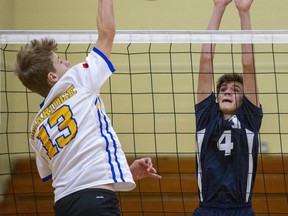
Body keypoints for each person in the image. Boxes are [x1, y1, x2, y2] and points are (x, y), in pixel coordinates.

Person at [15, 0, 161, 215]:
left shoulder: (36, 127)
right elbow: (107, 32)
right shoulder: (77, 80)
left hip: (64, 204)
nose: (67, 62)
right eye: (60, 61)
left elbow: (59, 172)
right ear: (52, 77)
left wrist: (122, 172)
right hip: (95, 201)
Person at [192, 0, 262, 215]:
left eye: (235, 90)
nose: (227, 92)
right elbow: (205, 60)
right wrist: (218, 7)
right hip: (207, 209)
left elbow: (248, 64)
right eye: (223, 89)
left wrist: (244, 12)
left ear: (244, 100)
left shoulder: (249, 119)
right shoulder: (206, 118)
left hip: (241, 209)